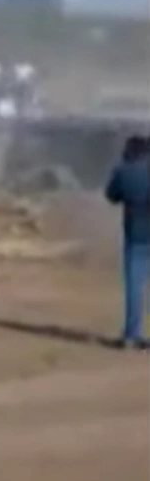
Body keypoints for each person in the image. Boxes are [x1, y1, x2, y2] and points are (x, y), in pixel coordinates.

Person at [104, 135, 150, 349]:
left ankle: (131, 334)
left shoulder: (123, 171)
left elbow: (111, 196)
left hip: (135, 234)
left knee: (134, 287)